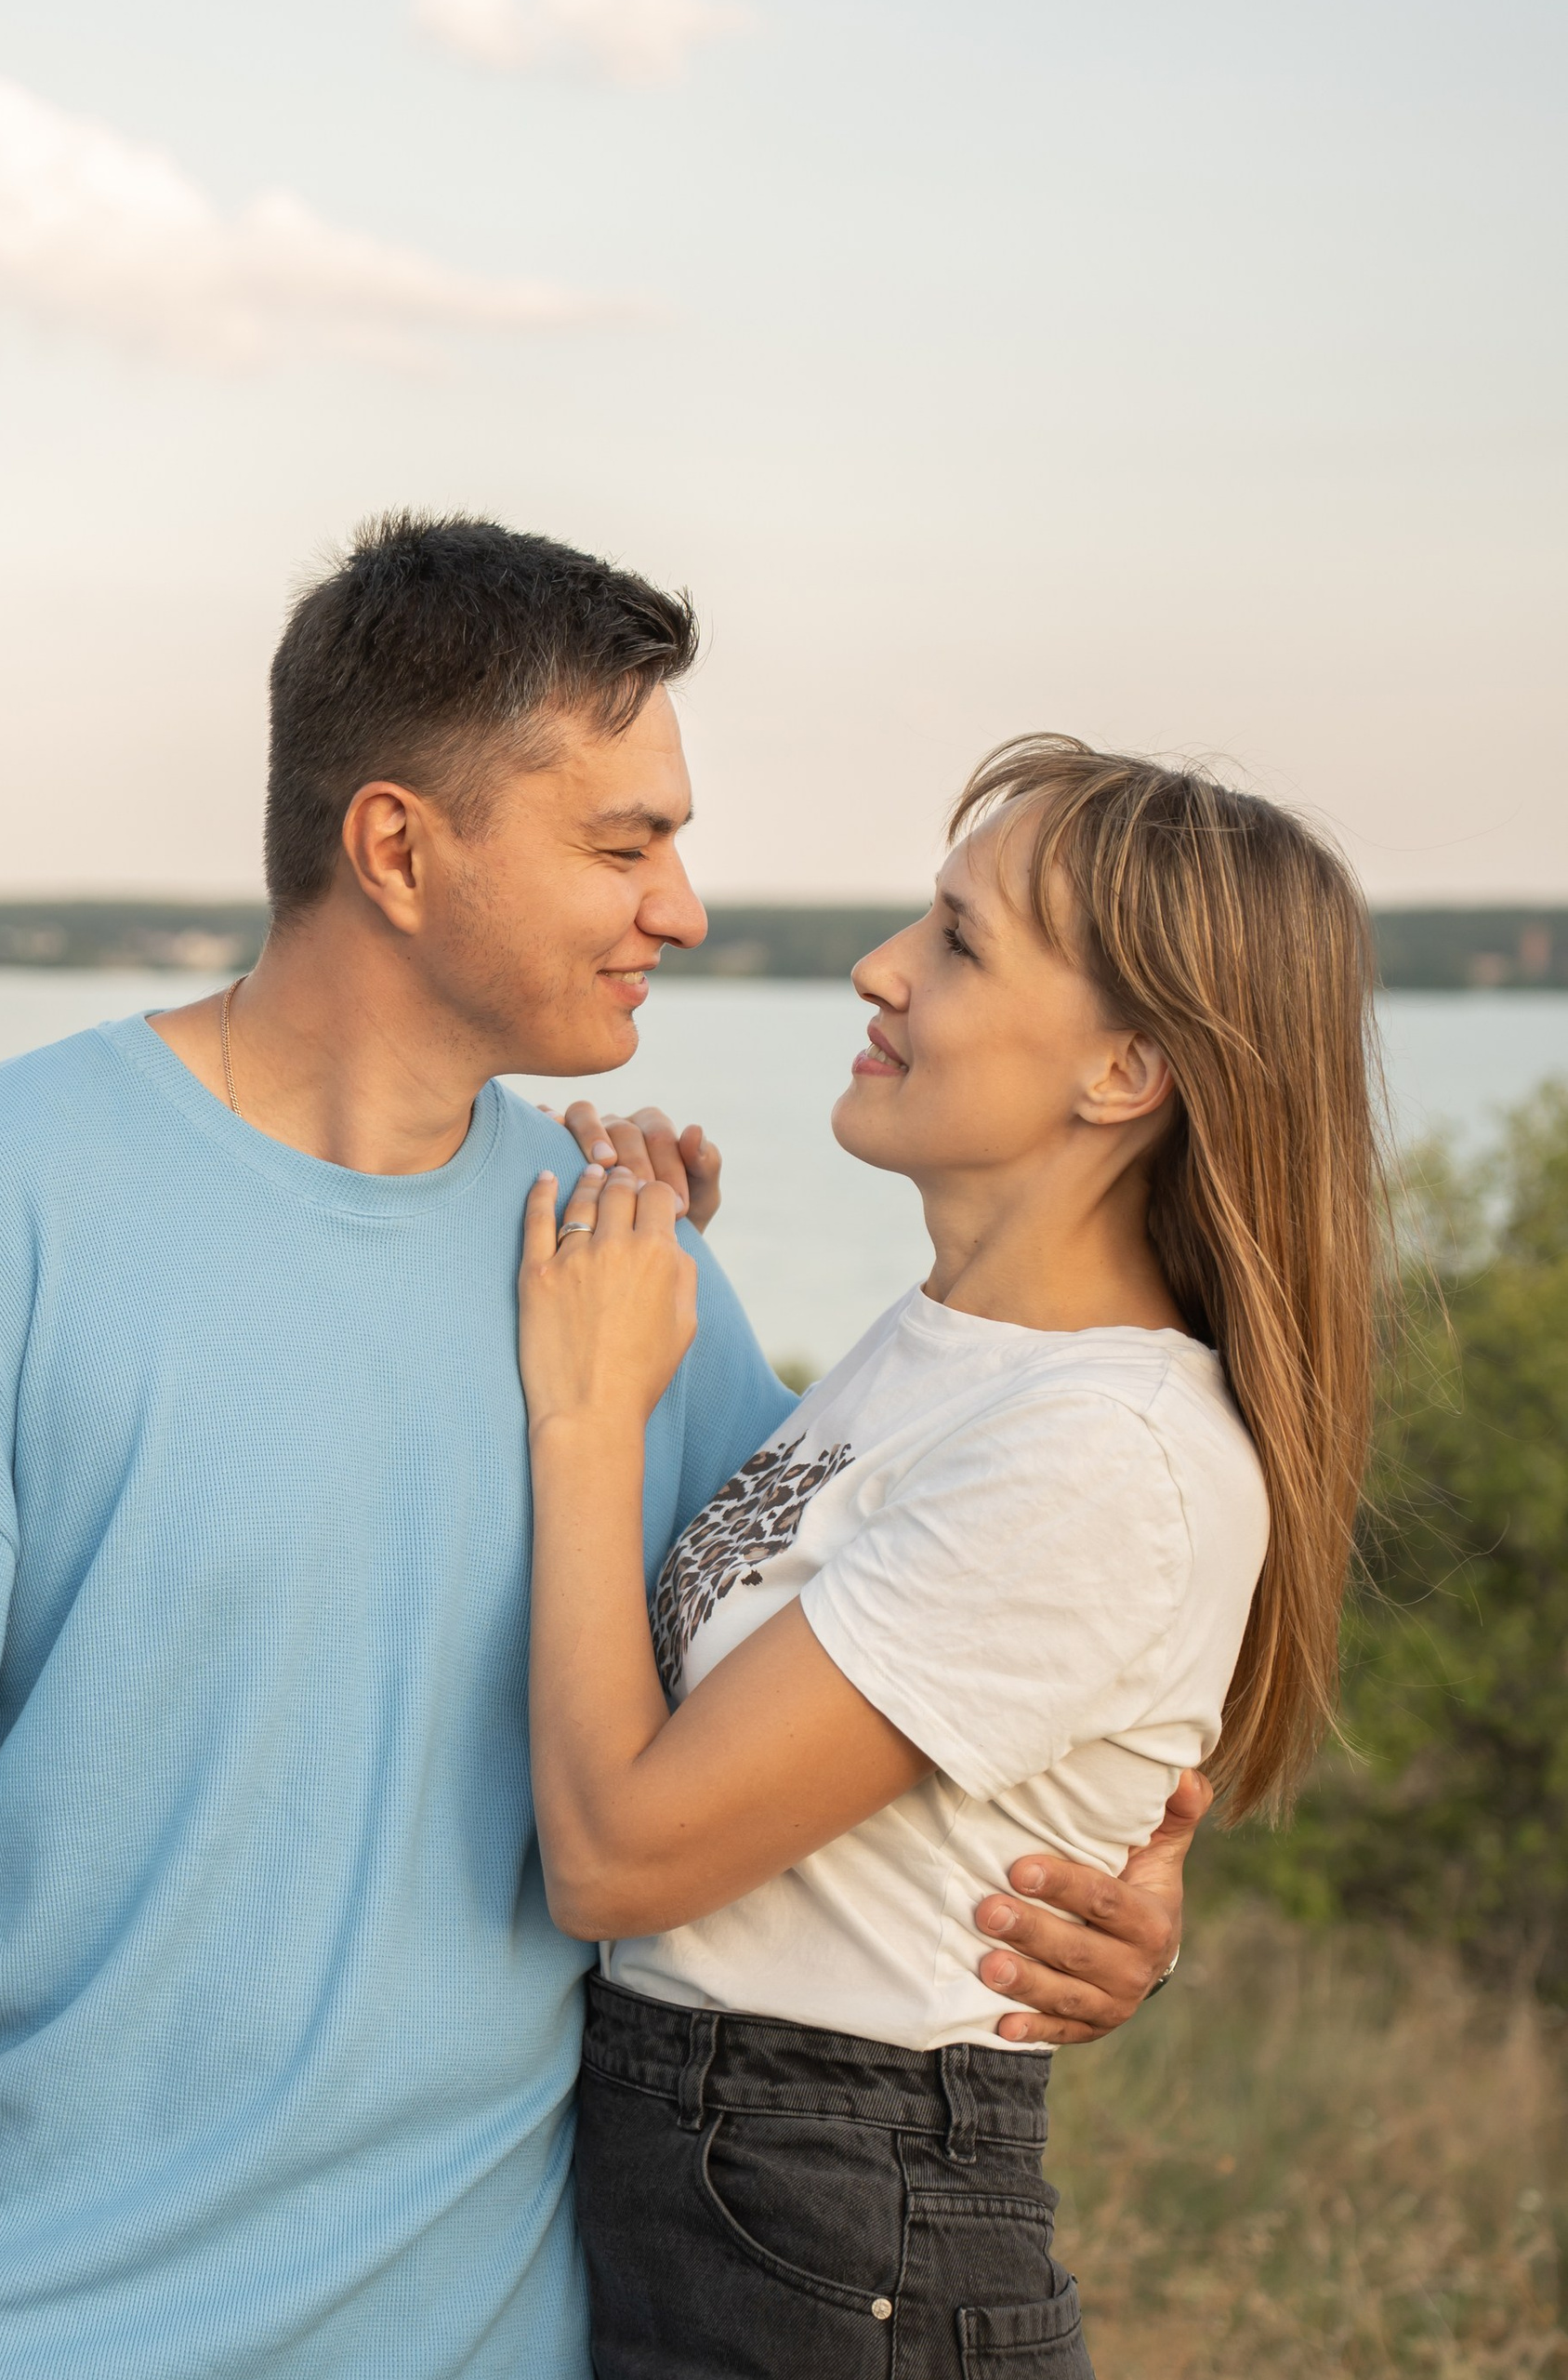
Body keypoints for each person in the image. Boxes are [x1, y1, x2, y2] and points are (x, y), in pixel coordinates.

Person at [0, 527, 1193, 2380]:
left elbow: (845, 1681)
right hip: (17, 2327)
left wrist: (1113, 1890)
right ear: (395, 847)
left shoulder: (619, 1256)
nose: (678, 907)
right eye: (621, 842)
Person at [516, 734, 1380, 2377]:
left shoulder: (1099, 1451)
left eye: (961, 941)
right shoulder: (940, 1357)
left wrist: (589, 1409)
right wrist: (664, 1296)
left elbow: (623, 1858)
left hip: (826, 2226)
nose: (880, 967)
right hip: (739, 2191)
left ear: (1125, 1070)